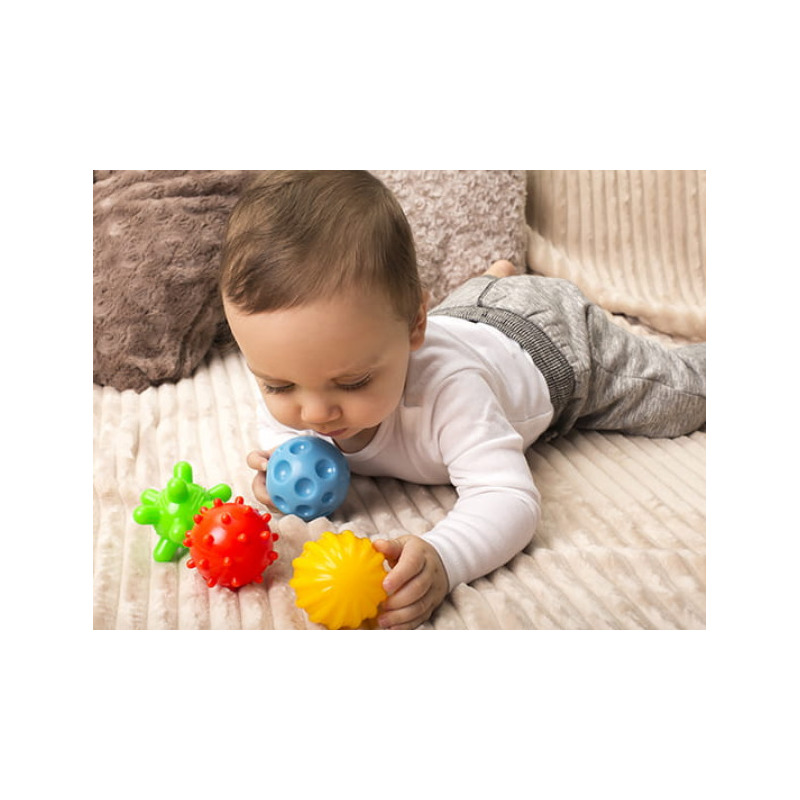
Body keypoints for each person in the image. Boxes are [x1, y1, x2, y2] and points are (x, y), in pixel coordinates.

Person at [219, 171, 706, 629]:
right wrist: (278, 470)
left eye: (353, 382)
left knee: (681, 398)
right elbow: (281, 432)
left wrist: (445, 556)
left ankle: (507, 287)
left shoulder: (451, 391)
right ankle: (493, 281)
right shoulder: (308, 362)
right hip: (462, 315)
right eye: (278, 387)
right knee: (458, 309)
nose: (314, 414)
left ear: (415, 325)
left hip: (551, 341)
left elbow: (508, 498)